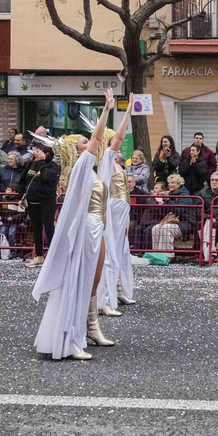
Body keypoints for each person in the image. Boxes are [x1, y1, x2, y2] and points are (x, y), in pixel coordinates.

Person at [33, 91, 117, 360]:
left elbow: (106, 142)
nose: (90, 140)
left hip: (95, 227)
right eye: (83, 140)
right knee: (77, 282)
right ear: (76, 150)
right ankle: (69, 339)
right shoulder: (81, 166)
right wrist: (106, 110)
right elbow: (97, 139)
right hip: (85, 230)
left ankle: (87, 330)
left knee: (90, 282)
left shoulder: (91, 169)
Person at [97, 118, 137, 310]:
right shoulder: (107, 161)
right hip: (114, 208)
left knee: (122, 251)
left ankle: (120, 290)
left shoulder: (117, 164)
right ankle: (107, 295)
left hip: (122, 210)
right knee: (112, 251)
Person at [22, 139, 59, 267]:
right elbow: (23, 180)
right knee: (36, 229)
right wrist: (20, 195)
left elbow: (46, 177)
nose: (36, 153)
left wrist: (42, 163)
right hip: (32, 202)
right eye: (35, 151)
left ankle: (54, 256)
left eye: (39, 151)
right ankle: (39, 256)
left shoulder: (53, 166)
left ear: (47, 153)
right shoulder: (31, 164)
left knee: (49, 228)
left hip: (46, 201)